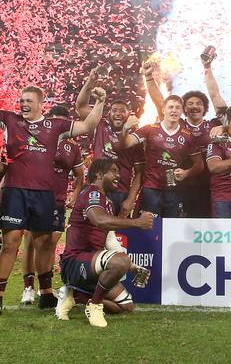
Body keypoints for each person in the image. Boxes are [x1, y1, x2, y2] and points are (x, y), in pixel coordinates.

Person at [0, 85, 106, 313]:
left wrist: (100, 102)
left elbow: (88, 125)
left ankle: (45, 293)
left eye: (28, 101)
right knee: (10, 243)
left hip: (43, 194)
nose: (23, 104)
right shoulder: (9, 120)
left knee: (43, 243)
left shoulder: (56, 126)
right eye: (21, 101)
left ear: (41, 105)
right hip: (14, 191)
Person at [57, 159, 154, 327]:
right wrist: (137, 223)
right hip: (76, 260)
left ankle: (75, 296)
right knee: (119, 261)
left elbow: (110, 240)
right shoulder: (92, 193)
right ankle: (94, 305)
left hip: (93, 264)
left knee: (125, 306)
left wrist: (132, 266)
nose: (119, 176)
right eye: (114, 171)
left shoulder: (107, 202)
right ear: (99, 174)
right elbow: (99, 220)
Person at [144, 57, 225, 218]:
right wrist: (149, 78)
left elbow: (216, 96)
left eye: (199, 103)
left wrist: (207, 68)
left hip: (209, 186)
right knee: (178, 224)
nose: (194, 106)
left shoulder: (214, 125)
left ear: (204, 108)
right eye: (190, 103)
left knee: (204, 224)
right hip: (180, 186)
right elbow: (160, 102)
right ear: (184, 109)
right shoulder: (178, 124)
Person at [21, 106, 84, 306]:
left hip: (57, 199)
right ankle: (28, 287)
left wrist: (74, 193)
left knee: (50, 243)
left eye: (61, 121)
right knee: (31, 241)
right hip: (36, 196)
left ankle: (44, 287)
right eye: (53, 120)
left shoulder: (72, 147)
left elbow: (80, 175)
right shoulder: (37, 138)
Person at [119, 95, 203, 218]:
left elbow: (199, 165)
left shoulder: (188, 136)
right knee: (149, 228)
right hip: (151, 189)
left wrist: (187, 173)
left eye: (177, 108)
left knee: (172, 229)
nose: (174, 110)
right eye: (171, 107)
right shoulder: (149, 129)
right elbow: (125, 144)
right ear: (163, 110)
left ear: (182, 111)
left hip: (174, 191)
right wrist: (125, 128)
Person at [76, 67, 144, 217]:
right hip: (95, 188)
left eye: (122, 111)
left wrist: (131, 199)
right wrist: (90, 81)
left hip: (120, 193)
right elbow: (80, 107)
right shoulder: (101, 125)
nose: (118, 114)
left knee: (116, 237)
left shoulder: (135, 138)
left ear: (128, 115)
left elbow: (139, 173)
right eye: (114, 110)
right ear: (109, 113)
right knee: (92, 233)